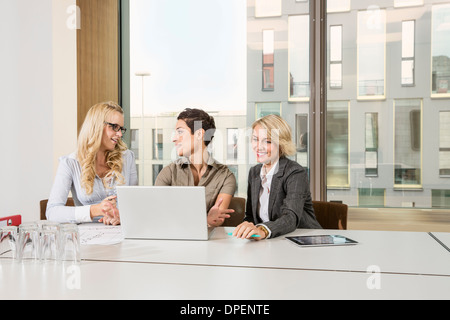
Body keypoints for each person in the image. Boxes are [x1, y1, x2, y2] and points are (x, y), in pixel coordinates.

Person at [46, 101, 138, 225]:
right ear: (97, 126)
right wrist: (95, 210)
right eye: (114, 127)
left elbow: (134, 203)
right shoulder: (70, 163)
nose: (120, 134)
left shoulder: (127, 157)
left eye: (121, 128)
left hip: (121, 234)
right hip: (87, 238)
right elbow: (52, 212)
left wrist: (121, 216)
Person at [232, 114, 321, 240]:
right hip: (271, 242)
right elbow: (251, 216)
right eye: (255, 139)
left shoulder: (295, 172)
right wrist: (247, 226)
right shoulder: (254, 172)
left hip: (302, 240)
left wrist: (262, 230)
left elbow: (290, 217)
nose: (258, 146)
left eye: (267, 141)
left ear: (281, 144)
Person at [155, 108, 236, 227]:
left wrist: (211, 220)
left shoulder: (225, 176)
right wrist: (205, 220)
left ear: (199, 134)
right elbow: (158, 215)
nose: (174, 138)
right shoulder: (169, 173)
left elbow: (217, 219)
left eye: (180, 132)